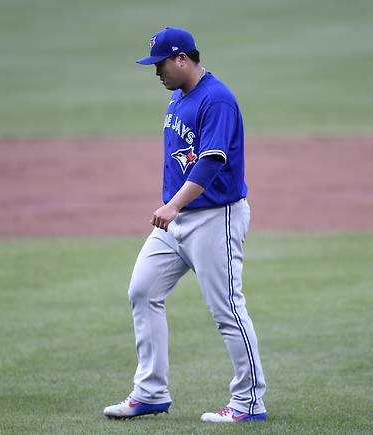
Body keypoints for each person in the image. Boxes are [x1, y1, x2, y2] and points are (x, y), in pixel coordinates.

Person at [103, 27, 267, 423]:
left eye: (160, 64)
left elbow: (211, 162)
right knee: (143, 291)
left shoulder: (217, 100)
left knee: (227, 308)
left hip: (215, 217)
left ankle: (249, 402)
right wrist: (174, 209)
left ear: (182, 59)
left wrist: (173, 206)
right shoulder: (179, 97)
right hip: (178, 219)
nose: (156, 72)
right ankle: (150, 392)